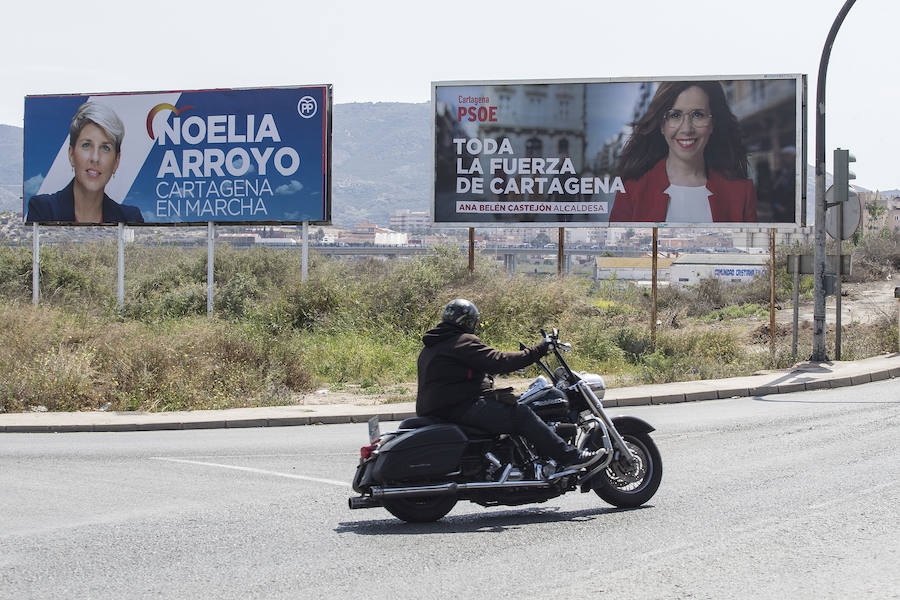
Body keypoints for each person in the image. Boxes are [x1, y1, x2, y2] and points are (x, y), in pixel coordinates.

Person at [416, 299, 598, 469]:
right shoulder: (462, 341)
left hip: (439, 409)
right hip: (461, 409)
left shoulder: (433, 345)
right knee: (521, 414)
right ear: (467, 321)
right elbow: (499, 360)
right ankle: (570, 457)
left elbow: (464, 371)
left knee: (511, 406)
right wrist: (539, 350)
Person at [610, 81, 757, 223]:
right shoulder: (631, 190)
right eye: (675, 115)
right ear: (662, 125)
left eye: (698, 115)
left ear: (713, 124)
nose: (687, 129)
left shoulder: (741, 192)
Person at [26, 101, 144, 224]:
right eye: (86, 145)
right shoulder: (44, 210)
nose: (95, 158)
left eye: (105, 148)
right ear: (71, 155)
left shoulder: (130, 218)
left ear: (116, 162)